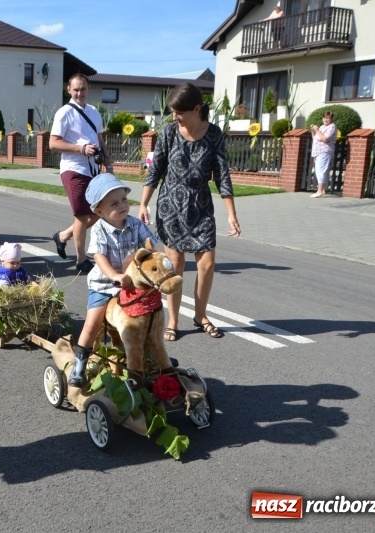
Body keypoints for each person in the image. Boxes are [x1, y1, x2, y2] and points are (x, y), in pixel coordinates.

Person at [138, 83, 241, 343]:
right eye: (173, 112)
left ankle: (200, 315)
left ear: (196, 109)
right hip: (171, 204)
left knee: (207, 263)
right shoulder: (170, 132)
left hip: (201, 205)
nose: (175, 117)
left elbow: (222, 175)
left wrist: (232, 213)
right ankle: (172, 320)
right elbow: (155, 170)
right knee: (176, 265)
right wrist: (143, 203)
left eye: (179, 112)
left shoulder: (214, 133)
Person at [67, 174, 157, 387]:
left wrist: (151, 261)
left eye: (124, 199)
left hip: (132, 283)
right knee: (92, 323)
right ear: (99, 212)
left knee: (150, 317)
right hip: (105, 284)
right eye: (114, 203)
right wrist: (115, 276)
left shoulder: (135, 224)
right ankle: (80, 362)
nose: (122, 205)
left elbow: (149, 245)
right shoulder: (99, 229)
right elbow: (99, 257)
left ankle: (152, 356)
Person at [49, 73, 113, 273]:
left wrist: (109, 163)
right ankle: (81, 258)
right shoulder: (64, 112)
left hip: (92, 169)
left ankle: (62, 236)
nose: (79, 93)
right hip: (73, 169)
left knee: (97, 212)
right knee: (81, 214)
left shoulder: (94, 112)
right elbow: (53, 143)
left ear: (89, 89)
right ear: (69, 90)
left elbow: (100, 140)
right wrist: (81, 148)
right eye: (75, 89)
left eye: (83, 89)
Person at [309, 111, 337, 198]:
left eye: (328, 118)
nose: (326, 120)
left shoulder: (332, 127)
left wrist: (317, 130)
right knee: (321, 171)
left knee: (320, 171)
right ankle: (323, 190)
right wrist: (313, 131)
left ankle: (319, 191)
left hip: (324, 151)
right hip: (317, 152)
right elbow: (316, 138)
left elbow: (325, 139)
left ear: (331, 119)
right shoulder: (322, 127)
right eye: (324, 118)